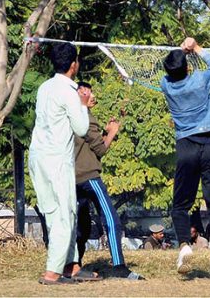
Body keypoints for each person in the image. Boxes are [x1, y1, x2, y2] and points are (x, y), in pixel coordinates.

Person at [28, 42, 99, 285]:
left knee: (54, 211)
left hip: (38, 156)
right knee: (63, 214)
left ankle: (72, 266)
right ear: (73, 65)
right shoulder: (69, 91)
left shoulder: (44, 87)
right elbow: (80, 128)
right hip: (56, 158)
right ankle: (52, 272)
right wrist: (82, 104)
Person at [161, 37, 210, 280]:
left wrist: (180, 51)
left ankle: (184, 246)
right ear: (188, 67)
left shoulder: (166, 85)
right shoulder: (200, 80)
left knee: (180, 205)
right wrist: (195, 47)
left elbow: (173, 67)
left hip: (186, 146)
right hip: (208, 145)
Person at [73, 81, 142, 280]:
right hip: (89, 176)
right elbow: (101, 149)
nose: (92, 95)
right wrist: (112, 132)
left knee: (81, 225)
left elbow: (89, 145)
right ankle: (119, 267)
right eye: (88, 91)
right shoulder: (86, 117)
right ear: (81, 93)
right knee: (111, 218)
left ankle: (75, 266)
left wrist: (103, 133)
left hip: (72, 178)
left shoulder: (68, 116)